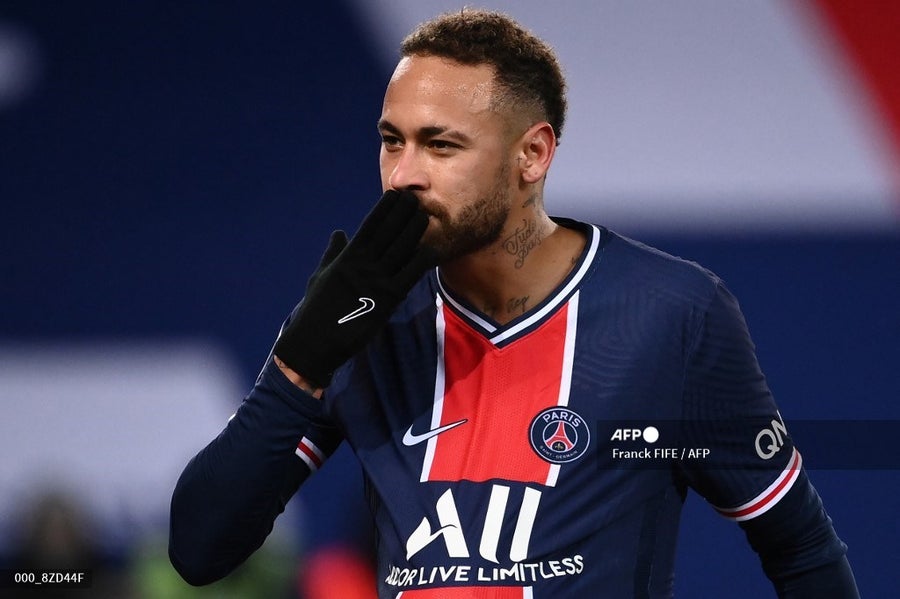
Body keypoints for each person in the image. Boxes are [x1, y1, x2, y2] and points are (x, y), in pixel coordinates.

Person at [169, 9, 859, 598]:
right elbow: (199, 551)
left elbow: (800, 548)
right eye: (391, 141)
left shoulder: (672, 314)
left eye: (441, 145)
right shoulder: (358, 319)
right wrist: (296, 368)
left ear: (532, 154)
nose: (403, 175)